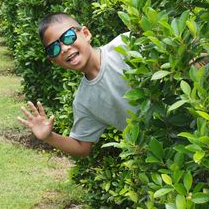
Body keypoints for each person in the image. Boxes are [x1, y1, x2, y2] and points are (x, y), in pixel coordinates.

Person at [17, 12, 137, 157]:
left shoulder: (125, 45)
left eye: (68, 37)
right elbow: (82, 147)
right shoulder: (84, 102)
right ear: (54, 60)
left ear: (85, 34)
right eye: (54, 48)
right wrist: (49, 136)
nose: (64, 48)